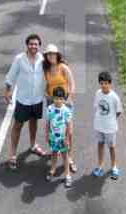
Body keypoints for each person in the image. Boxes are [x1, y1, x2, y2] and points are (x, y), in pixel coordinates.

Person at [4, 33, 46, 170]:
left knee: (34, 123)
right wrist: (7, 90)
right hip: (23, 99)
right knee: (18, 126)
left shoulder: (42, 59)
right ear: (27, 45)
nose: (33, 46)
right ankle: (12, 155)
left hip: (37, 99)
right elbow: (11, 75)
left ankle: (33, 145)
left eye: (36, 44)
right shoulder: (19, 59)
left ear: (39, 45)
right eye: (31, 43)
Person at [43, 44, 77, 173]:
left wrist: (68, 98)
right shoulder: (46, 70)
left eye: (53, 53)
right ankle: (56, 152)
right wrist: (47, 95)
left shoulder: (63, 67)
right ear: (46, 56)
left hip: (65, 102)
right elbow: (47, 85)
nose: (51, 56)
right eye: (49, 54)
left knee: (69, 132)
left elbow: (72, 84)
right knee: (54, 130)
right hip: (52, 103)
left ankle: (70, 158)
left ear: (57, 55)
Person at [92, 70, 124, 180]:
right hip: (99, 125)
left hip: (110, 128)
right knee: (100, 144)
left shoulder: (114, 97)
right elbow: (97, 107)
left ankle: (114, 167)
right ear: (99, 84)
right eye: (101, 83)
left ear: (110, 83)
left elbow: (118, 111)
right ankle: (100, 166)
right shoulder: (98, 93)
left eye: (106, 83)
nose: (104, 85)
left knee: (111, 147)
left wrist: (111, 120)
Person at [45, 87, 74, 187]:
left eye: (60, 98)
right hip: (53, 137)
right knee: (53, 153)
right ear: (53, 98)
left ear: (64, 99)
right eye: (56, 98)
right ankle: (52, 169)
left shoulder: (66, 110)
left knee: (65, 156)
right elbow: (48, 123)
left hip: (62, 138)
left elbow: (69, 125)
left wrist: (67, 138)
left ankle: (67, 175)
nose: (58, 100)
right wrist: (47, 134)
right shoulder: (49, 109)